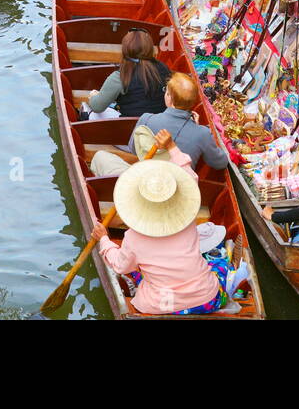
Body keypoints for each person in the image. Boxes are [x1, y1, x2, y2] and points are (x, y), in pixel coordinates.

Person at [89, 126, 235, 315]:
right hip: (207, 299)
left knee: (133, 268)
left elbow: (119, 264)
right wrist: (171, 146)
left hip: (163, 307)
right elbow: (190, 176)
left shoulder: (133, 238)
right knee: (220, 263)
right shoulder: (186, 217)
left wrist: (104, 240)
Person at [81, 28, 172, 119]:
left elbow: (97, 107)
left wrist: (93, 96)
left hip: (130, 127)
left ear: (125, 50)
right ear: (150, 48)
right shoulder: (164, 68)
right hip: (159, 125)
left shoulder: (120, 77)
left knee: (89, 112)